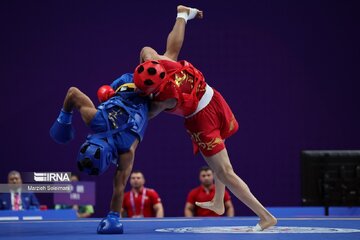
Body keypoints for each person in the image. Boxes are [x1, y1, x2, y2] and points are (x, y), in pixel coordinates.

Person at [133, 5, 277, 230]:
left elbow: (146, 115)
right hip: (214, 97)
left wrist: (124, 105)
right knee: (171, 53)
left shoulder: (165, 99)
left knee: (224, 172)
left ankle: (265, 216)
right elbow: (147, 48)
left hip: (202, 120)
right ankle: (182, 14)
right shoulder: (157, 61)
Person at [49, 73, 149, 234]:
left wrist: (113, 217)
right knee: (147, 52)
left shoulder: (126, 151)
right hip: (134, 87)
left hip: (141, 92)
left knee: (167, 95)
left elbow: (119, 188)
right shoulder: (95, 121)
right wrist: (64, 122)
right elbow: (72, 92)